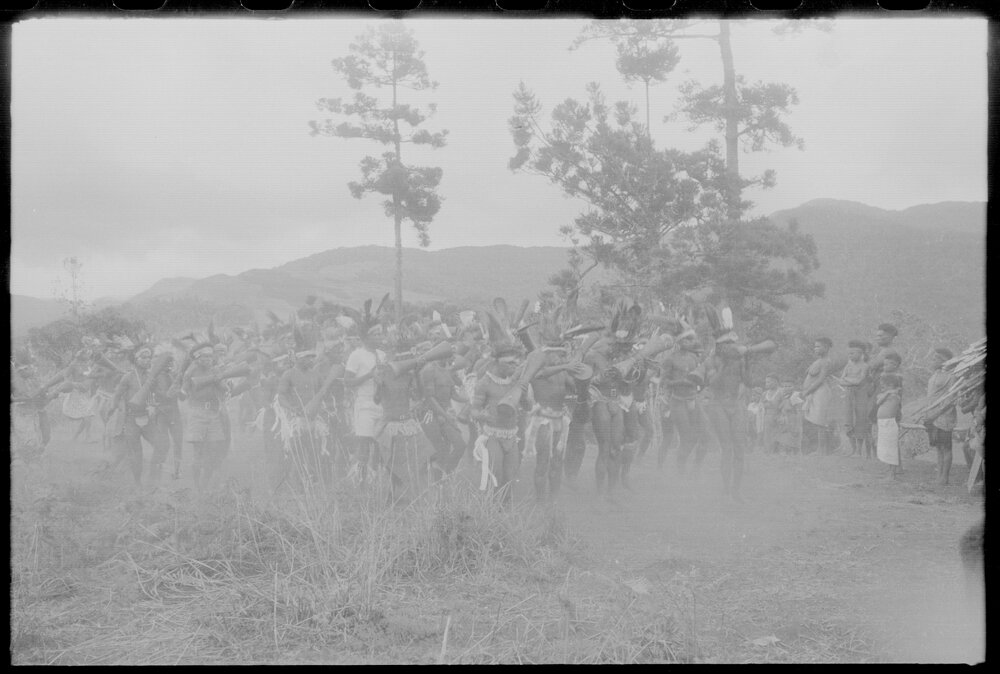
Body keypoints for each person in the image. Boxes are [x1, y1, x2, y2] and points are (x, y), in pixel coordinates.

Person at [105, 346, 173, 487]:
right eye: (143, 357)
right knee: (136, 454)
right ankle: (138, 484)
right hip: (130, 419)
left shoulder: (153, 376)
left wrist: (157, 402)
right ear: (136, 360)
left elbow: (160, 394)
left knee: (163, 445)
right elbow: (117, 396)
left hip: (148, 419)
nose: (147, 360)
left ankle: (154, 476)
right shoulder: (128, 377)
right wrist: (111, 409)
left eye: (149, 357)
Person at [470, 344, 523, 506]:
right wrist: (483, 415)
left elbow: (527, 406)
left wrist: (526, 394)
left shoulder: (517, 382)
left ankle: (504, 513)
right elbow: (474, 411)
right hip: (492, 435)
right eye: (509, 363)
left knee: (510, 477)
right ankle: (491, 513)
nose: (514, 367)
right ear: (497, 362)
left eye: (516, 364)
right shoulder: (485, 383)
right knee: (495, 476)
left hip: (511, 436)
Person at [658, 325, 707, 476]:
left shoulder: (694, 358)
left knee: (704, 434)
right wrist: (681, 382)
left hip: (693, 398)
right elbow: (664, 382)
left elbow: (701, 379)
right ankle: (680, 466)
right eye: (685, 339)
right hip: (677, 400)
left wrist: (699, 382)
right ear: (679, 341)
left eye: (690, 339)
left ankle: (696, 466)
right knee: (687, 436)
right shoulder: (670, 359)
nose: (688, 342)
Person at [181, 343, 231, 491]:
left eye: (210, 356)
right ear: (198, 358)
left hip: (214, 414)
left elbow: (225, 389)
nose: (208, 359)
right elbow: (184, 394)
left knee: (213, 450)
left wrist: (219, 378)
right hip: (197, 413)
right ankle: (197, 487)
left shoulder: (215, 369)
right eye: (205, 357)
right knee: (198, 453)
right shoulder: (191, 372)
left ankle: (205, 485)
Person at [344, 326, 387, 483]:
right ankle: (360, 480)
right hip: (364, 403)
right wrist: (369, 375)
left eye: (380, 333)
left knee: (379, 444)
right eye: (374, 334)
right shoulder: (356, 355)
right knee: (364, 444)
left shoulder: (382, 355)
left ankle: (373, 478)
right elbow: (348, 381)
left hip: (381, 403)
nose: (379, 336)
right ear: (365, 337)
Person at [419, 348, 467, 480]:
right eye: (451, 356)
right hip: (429, 414)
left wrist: (469, 399)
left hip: (444, 414)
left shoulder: (447, 371)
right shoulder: (429, 370)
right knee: (440, 450)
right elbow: (430, 399)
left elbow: (453, 394)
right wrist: (446, 416)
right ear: (442, 355)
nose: (453, 359)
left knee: (460, 445)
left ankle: (446, 472)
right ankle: (431, 477)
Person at [923, 347, 957, 486]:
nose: (934, 360)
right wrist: (929, 414)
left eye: (937, 358)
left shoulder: (952, 376)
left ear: (945, 361)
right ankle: (939, 476)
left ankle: (945, 477)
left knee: (946, 447)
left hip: (944, 417)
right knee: (938, 447)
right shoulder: (934, 375)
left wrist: (936, 414)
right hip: (932, 415)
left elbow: (951, 400)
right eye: (934, 357)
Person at [835, 340, 872, 458]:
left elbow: (859, 381)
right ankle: (853, 449)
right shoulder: (848, 365)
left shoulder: (865, 366)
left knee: (860, 421)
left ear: (860, 353)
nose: (850, 356)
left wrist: (848, 381)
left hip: (861, 396)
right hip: (849, 396)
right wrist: (849, 381)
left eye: (853, 353)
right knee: (848, 420)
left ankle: (859, 451)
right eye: (849, 354)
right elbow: (840, 380)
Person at [801, 337, 835, 455]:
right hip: (814, 393)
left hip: (821, 392)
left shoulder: (826, 361)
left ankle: (822, 449)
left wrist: (807, 391)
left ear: (826, 348)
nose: (815, 349)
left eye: (818, 346)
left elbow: (820, 380)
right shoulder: (818, 361)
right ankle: (819, 448)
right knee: (816, 421)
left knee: (820, 421)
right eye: (815, 346)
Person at [875, 373, 903, 478]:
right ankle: (888, 469)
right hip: (882, 423)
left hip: (890, 423)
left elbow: (896, 398)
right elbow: (878, 402)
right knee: (884, 447)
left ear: (891, 386)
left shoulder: (896, 396)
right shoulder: (883, 395)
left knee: (891, 448)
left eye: (884, 386)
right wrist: (887, 393)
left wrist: (892, 392)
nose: (882, 388)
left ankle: (892, 473)